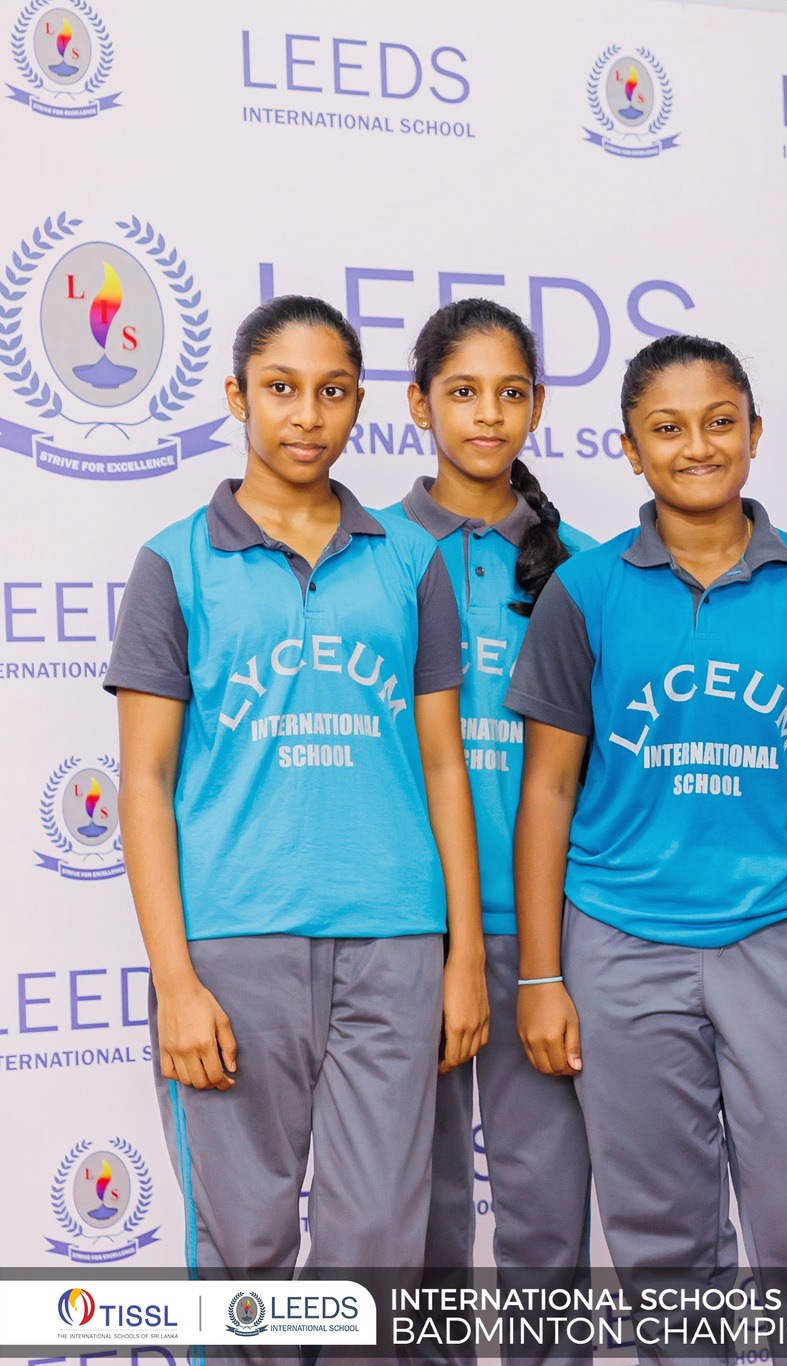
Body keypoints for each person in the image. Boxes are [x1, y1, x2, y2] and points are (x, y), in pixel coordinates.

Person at [507, 335, 787, 1356]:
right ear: (630, 449)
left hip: (784, 938)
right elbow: (547, 789)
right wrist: (541, 974)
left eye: (720, 422)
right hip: (619, 945)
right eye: (667, 429)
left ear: (756, 433)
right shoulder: (583, 592)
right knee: (662, 1239)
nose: (697, 446)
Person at [107, 295, 486, 1283]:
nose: (307, 416)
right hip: (234, 945)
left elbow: (442, 763)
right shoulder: (174, 563)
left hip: (395, 941)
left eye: (332, 391)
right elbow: (144, 781)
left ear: (360, 402)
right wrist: (175, 982)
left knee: (378, 1256)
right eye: (281, 388)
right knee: (245, 1252)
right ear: (238, 396)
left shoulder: (411, 560)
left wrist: (463, 957)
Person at [387, 299, 598, 1338]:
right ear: (418, 403)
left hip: (548, 931)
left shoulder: (587, 566)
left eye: (510, 393)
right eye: (462, 392)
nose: (487, 415)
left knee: (548, 1219)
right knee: (419, 1219)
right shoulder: (371, 552)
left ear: (538, 406)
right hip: (405, 928)